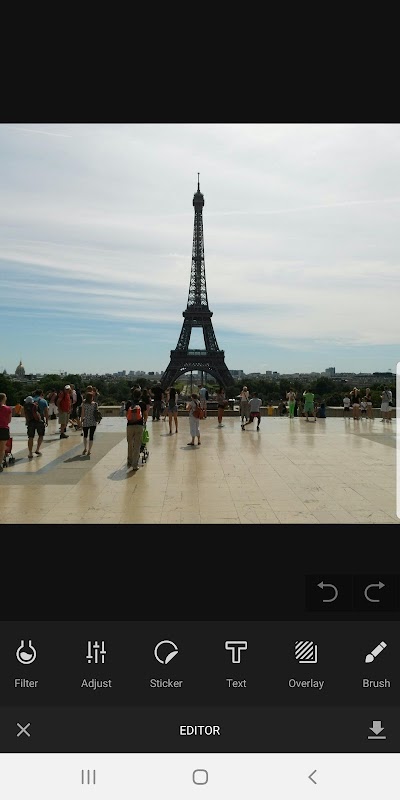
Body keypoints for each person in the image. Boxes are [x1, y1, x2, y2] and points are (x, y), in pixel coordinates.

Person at [125, 388, 147, 470]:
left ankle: (129, 460)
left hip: (130, 426)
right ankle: (135, 464)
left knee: (130, 444)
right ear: (140, 395)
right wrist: (144, 422)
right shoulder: (142, 404)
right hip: (139, 425)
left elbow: (126, 414)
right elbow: (145, 414)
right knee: (137, 445)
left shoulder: (129, 403)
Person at [80, 390, 99, 457]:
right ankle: (89, 450)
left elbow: (82, 414)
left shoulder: (84, 405)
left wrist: (81, 421)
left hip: (86, 421)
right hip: (93, 422)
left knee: (85, 436)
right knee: (91, 436)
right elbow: (97, 413)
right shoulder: (95, 404)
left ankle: (85, 448)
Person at [31, 388, 49, 456]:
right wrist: (47, 421)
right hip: (40, 419)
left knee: (31, 436)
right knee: (41, 435)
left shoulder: (31, 400)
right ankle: (37, 449)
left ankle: (30, 452)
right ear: (42, 394)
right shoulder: (43, 401)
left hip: (31, 420)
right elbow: (46, 412)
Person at [0, 393, 12, 472]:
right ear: (4, 399)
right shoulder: (8, 409)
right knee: (2, 449)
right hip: (4, 429)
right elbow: (9, 420)